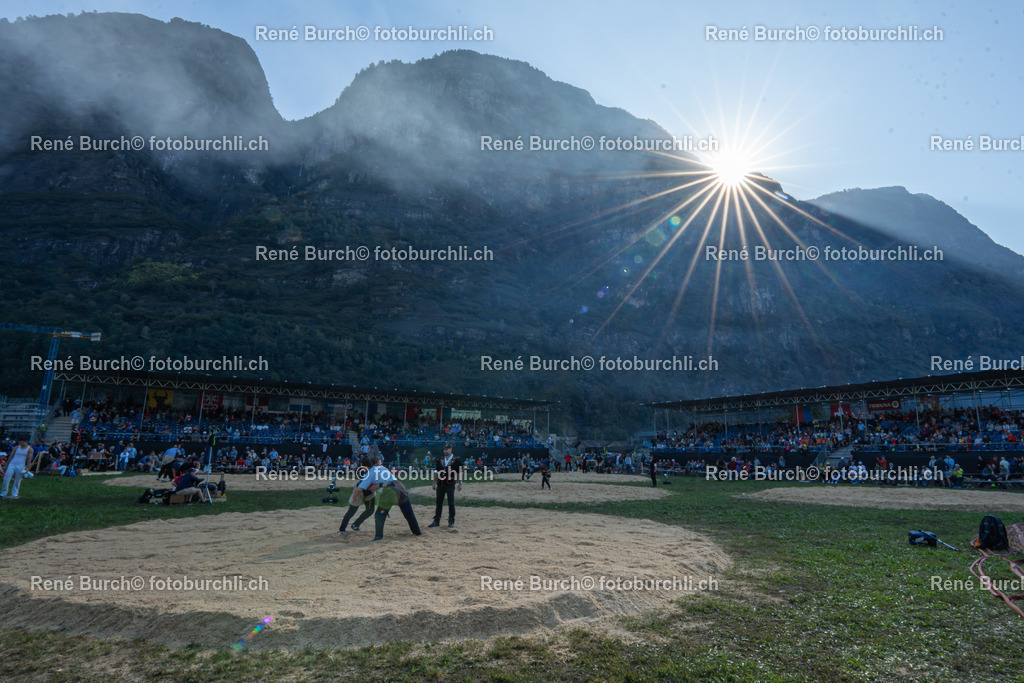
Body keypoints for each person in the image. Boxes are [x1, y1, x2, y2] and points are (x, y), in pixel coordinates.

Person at [354, 455, 421, 541]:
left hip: (389, 492)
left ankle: (378, 536)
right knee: (408, 513)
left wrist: (354, 498)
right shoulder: (382, 467)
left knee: (379, 514)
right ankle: (417, 531)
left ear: (366, 466)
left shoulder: (369, 474)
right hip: (400, 487)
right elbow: (376, 484)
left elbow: (359, 489)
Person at [338, 457, 376, 533]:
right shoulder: (369, 472)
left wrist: (353, 498)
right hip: (360, 492)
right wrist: (354, 497)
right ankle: (342, 529)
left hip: (368, 492)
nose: (361, 468)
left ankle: (356, 524)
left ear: (367, 466)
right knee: (351, 511)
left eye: (362, 466)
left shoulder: (372, 471)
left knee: (370, 510)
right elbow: (359, 489)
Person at [429, 445, 462, 528]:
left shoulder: (456, 460)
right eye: (444, 449)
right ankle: (436, 521)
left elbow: (460, 472)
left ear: (451, 449)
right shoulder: (439, 460)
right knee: (438, 503)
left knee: (451, 503)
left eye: (446, 449)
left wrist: (460, 483)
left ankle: (451, 521)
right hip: (440, 484)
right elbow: (436, 471)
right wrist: (434, 483)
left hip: (450, 484)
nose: (445, 451)